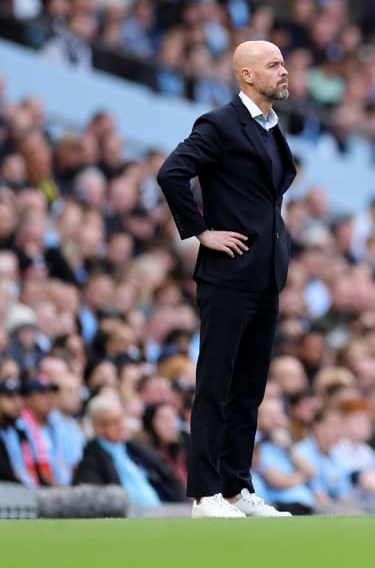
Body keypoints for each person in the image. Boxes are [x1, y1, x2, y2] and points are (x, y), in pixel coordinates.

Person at [156, 40, 296, 518]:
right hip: (228, 275)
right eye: (273, 64)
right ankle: (204, 493)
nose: (284, 70)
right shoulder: (219, 123)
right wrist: (199, 232)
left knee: (250, 388)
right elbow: (172, 172)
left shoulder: (272, 128)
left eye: (282, 62)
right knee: (215, 381)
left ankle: (236, 487)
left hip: (265, 275)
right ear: (247, 75)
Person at [73, 394, 184, 506]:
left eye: (121, 419)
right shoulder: (91, 460)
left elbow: (171, 478)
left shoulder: (137, 448)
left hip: (165, 509)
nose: (121, 425)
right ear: (98, 427)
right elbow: (96, 500)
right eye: (114, 421)